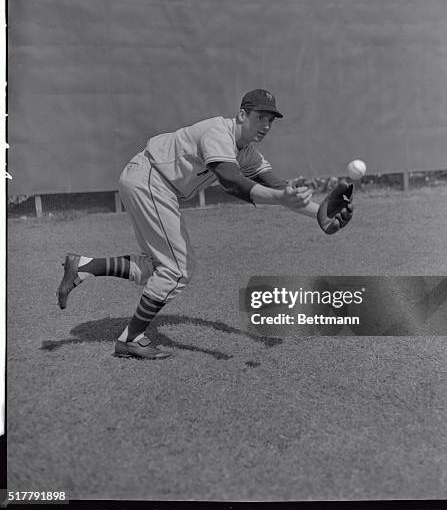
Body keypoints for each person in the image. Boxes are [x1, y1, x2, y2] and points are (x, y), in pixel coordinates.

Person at [57, 89, 348, 359]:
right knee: (177, 269)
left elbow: (279, 189)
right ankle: (130, 339)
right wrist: (280, 195)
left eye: (270, 120)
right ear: (242, 115)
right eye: (260, 117)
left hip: (152, 182)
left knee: (160, 267)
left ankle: (82, 266)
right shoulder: (217, 133)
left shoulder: (247, 152)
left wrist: (320, 214)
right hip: (150, 179)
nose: (266, 125)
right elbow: (233, 183)